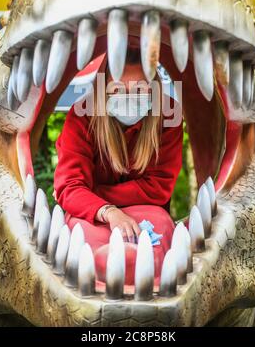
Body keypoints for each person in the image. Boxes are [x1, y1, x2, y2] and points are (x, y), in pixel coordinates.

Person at [54, 47, 183, 286]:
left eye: (140, 89)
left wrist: (90, 196)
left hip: (138, 216)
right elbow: (69, 186)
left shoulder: (169, 115)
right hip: (94, 219)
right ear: (103, 91)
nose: (129, 97)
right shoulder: (81, 116)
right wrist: (109, 212)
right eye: (117, 89)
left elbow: (158, 188)